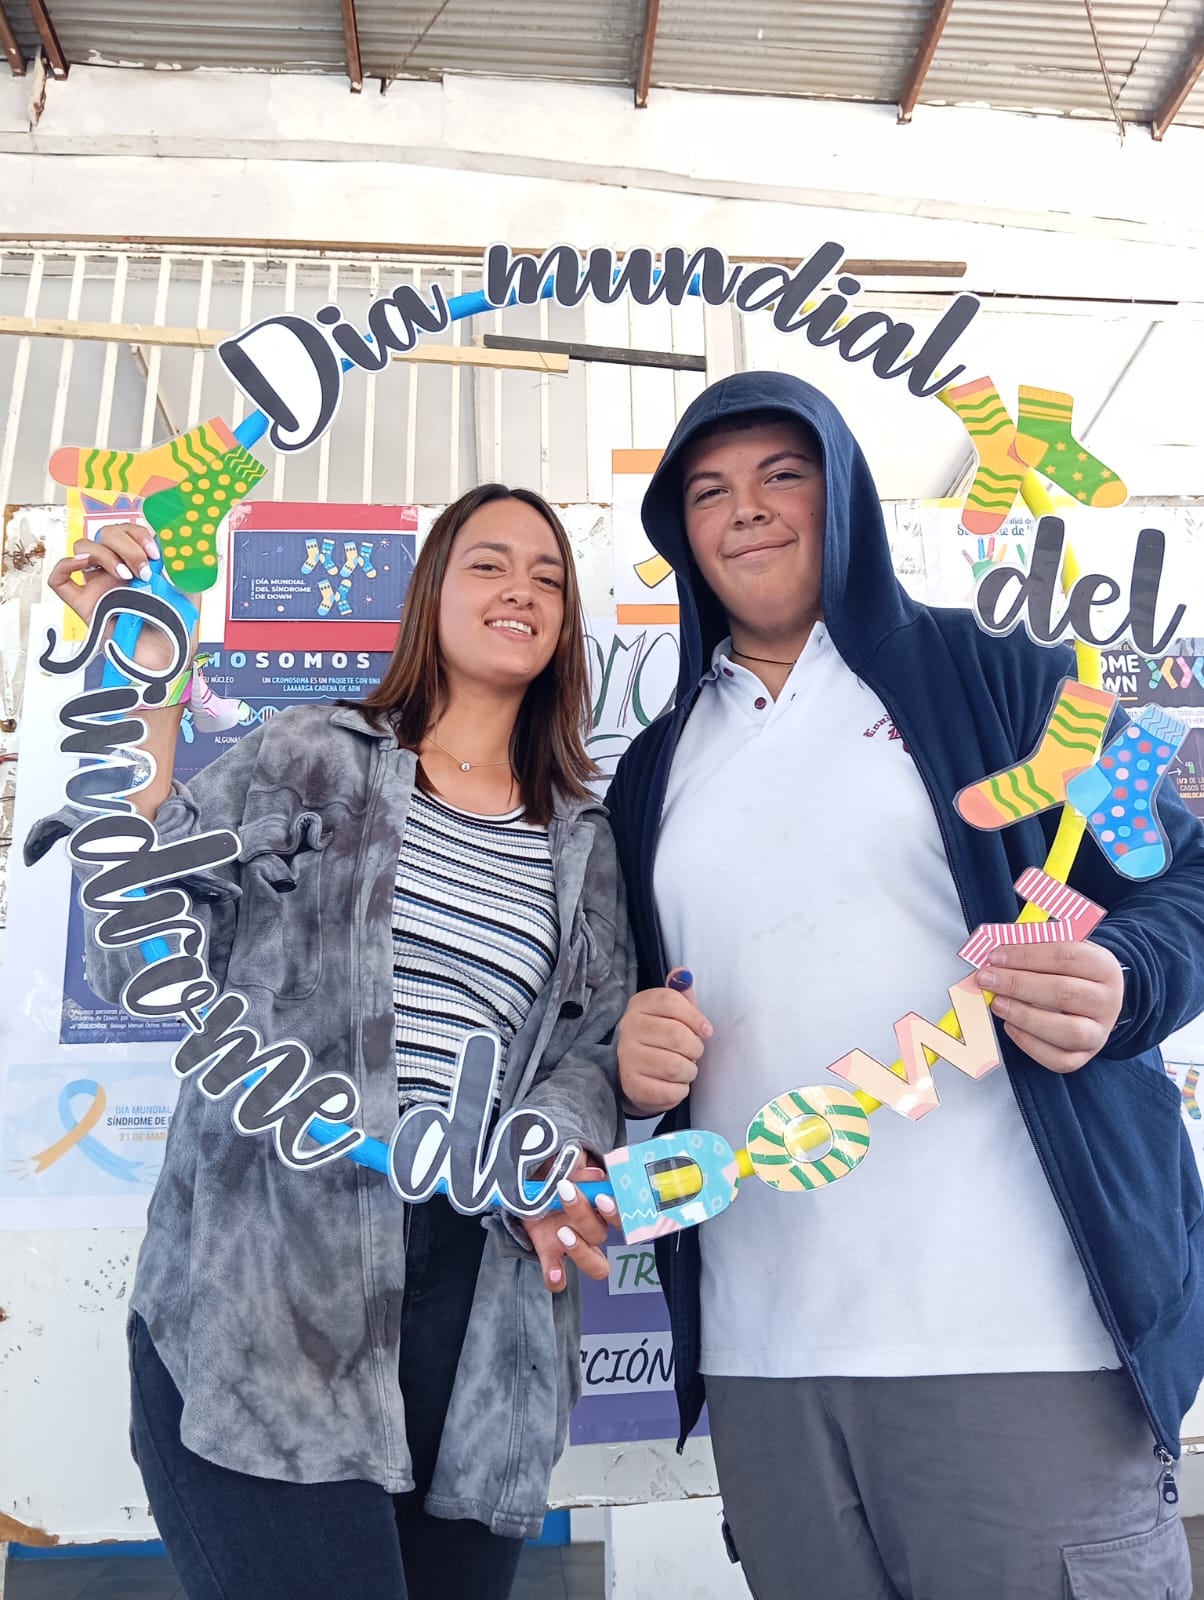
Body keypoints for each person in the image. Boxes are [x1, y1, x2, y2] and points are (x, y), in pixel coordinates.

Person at [605, 371, 1204, 1600]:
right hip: (764, 1351)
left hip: (1018, 1330)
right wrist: (628, 1051)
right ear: (681, 534)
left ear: (845, 495)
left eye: (783, 474)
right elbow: (621, 1003)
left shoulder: (1001, 677)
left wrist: (1124, 976)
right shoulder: (655, 767)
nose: (746, 508)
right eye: (709, 492)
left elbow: (1182, 873)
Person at [28, 483, 631, 1600]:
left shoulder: (583, 837)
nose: (522, 590)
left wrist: (551, 1150)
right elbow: (134, 947)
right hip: (265, 1304)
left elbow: (592, 1052)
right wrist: (148, 683)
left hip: (482, 1322)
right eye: (489, 563)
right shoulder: (307, 754)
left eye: (549, 577)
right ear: (431, 593)